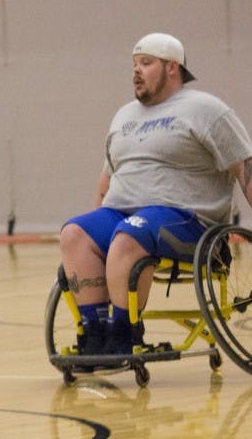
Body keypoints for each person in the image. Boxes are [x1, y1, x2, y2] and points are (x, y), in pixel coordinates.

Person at [60, 32, 252, 357]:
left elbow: (244, 169)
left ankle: (123, 335)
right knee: (74, 234)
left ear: (172, 67)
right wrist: (95, 226)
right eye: (134, 64)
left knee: (128, 234)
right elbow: (107, 179)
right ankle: (94, 336)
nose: (136, 71)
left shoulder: (206, 110)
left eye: (146, 63)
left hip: (186, 219)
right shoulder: (124, 117)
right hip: (123, 214)